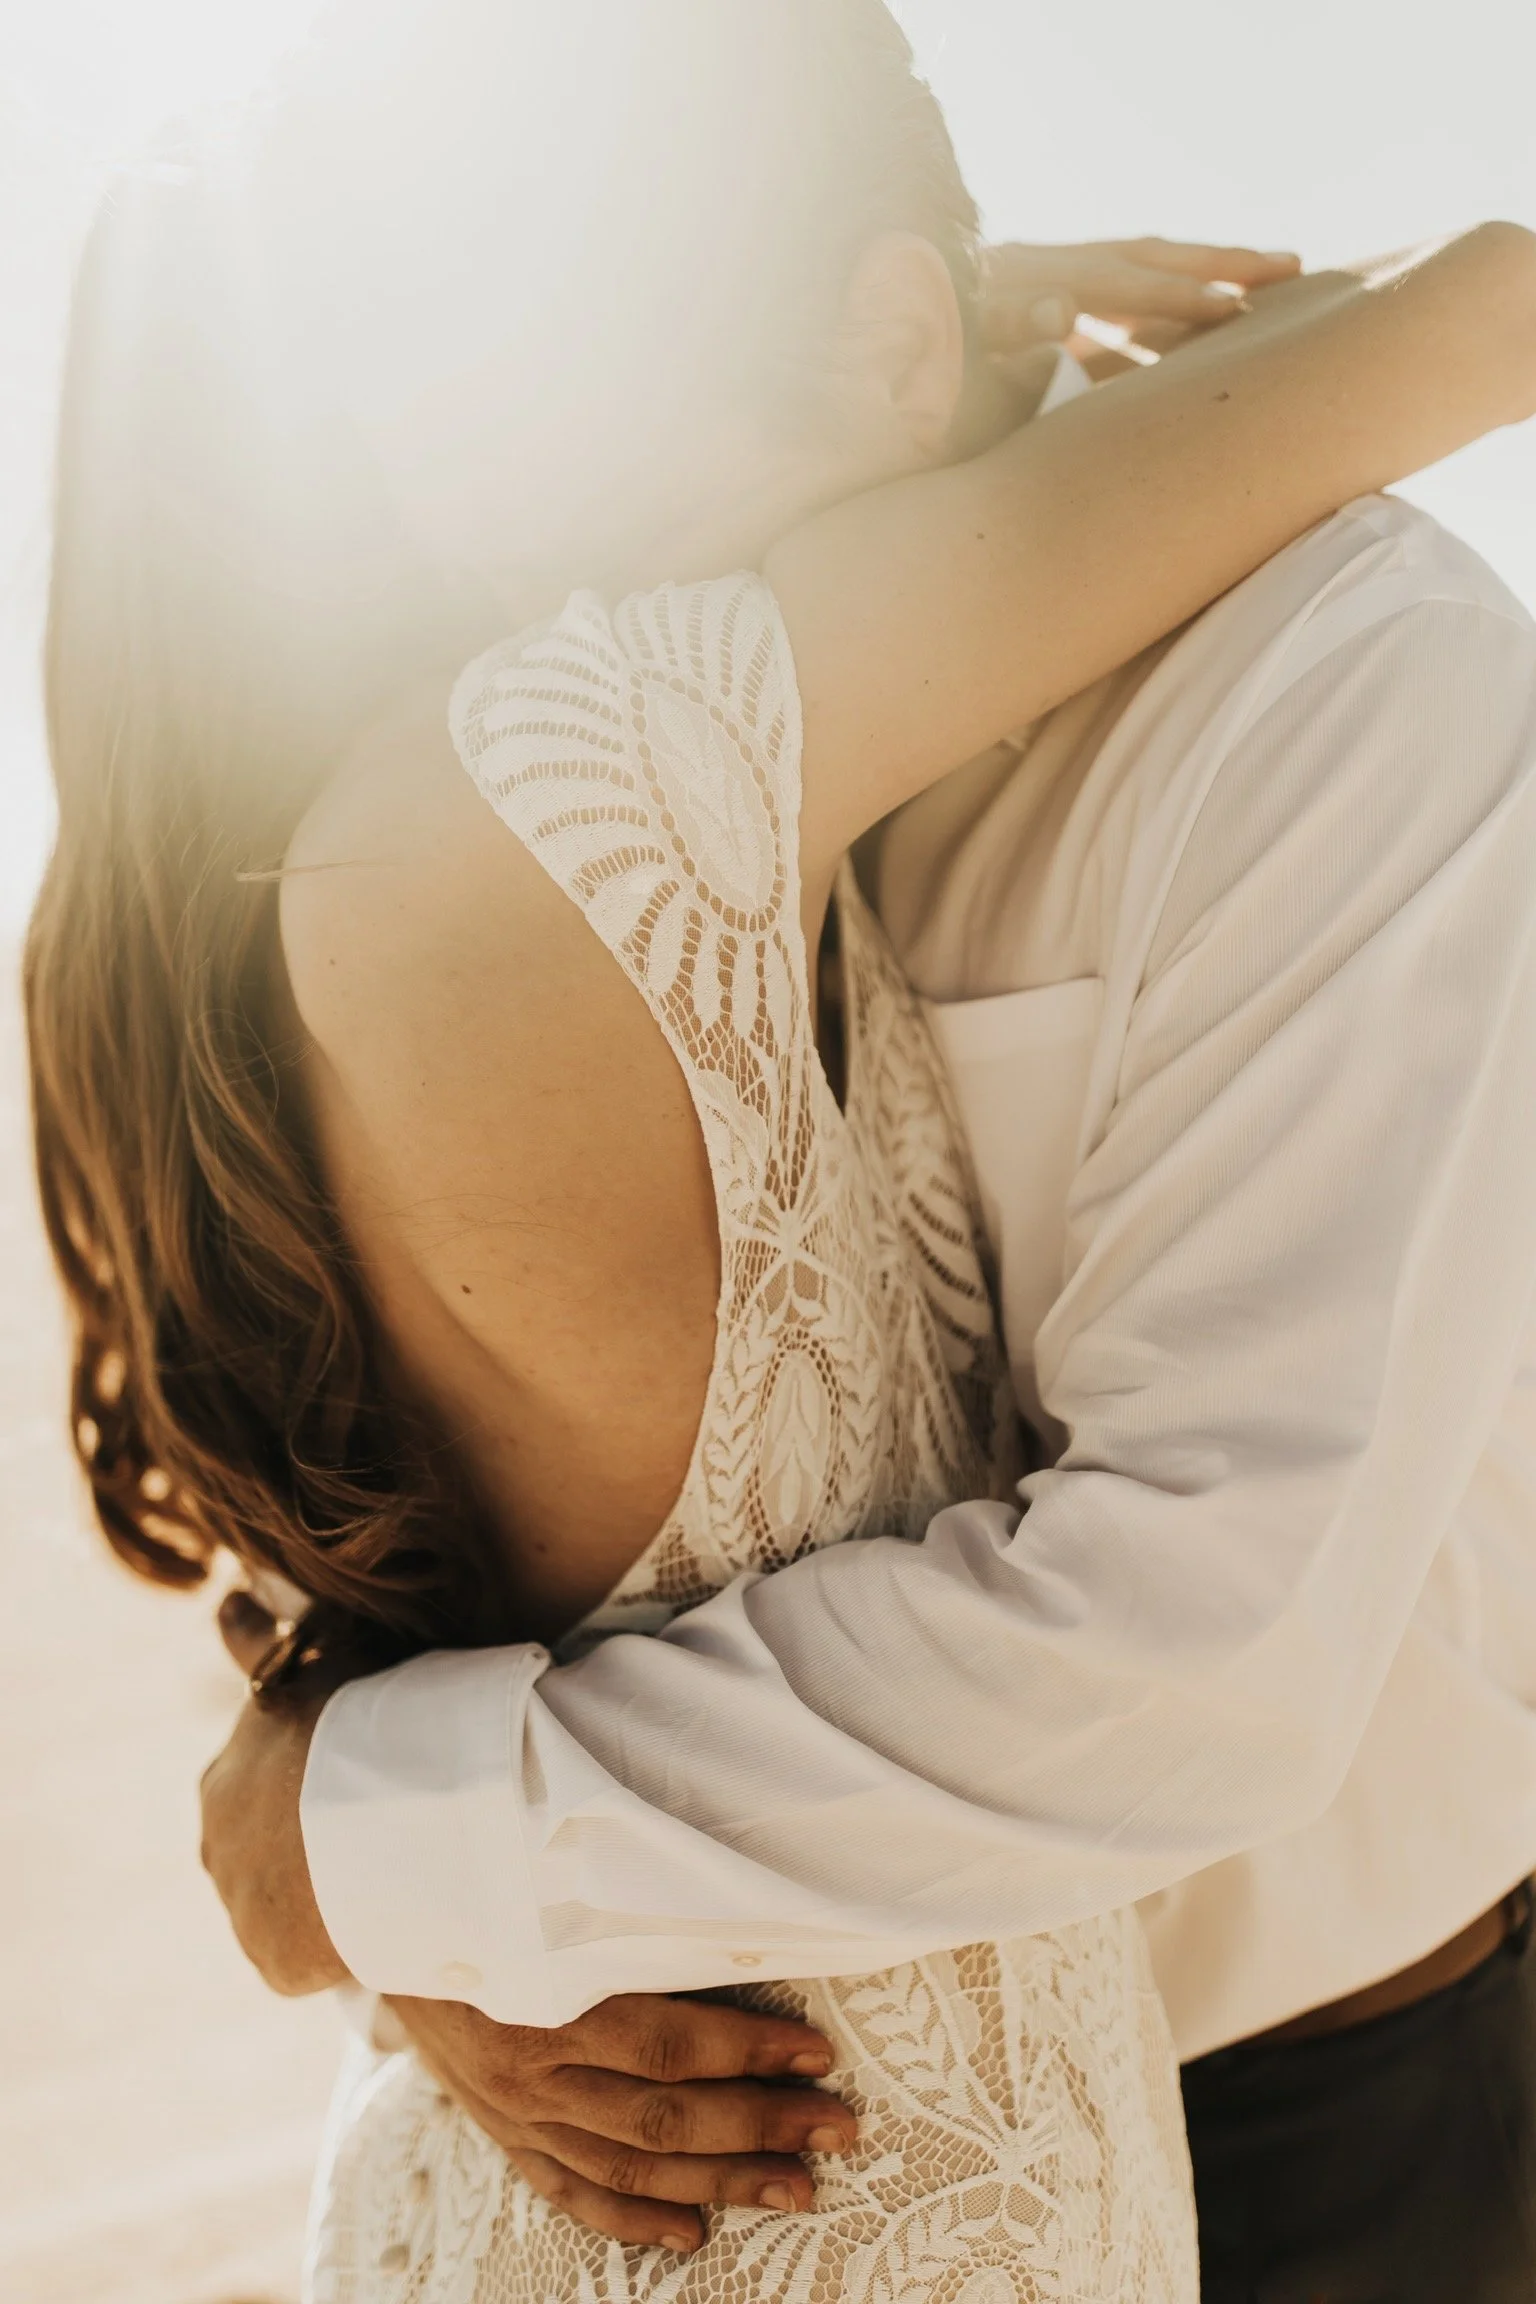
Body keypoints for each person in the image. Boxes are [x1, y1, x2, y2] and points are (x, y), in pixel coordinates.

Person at [26, 0, 1536, 2297]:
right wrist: (403, 1862)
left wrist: (393, 1846)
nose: (537, 601)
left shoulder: (1335, 682)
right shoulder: (575, 764)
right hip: (703, 2097)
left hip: (1336, 2091)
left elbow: (1203, 1643)